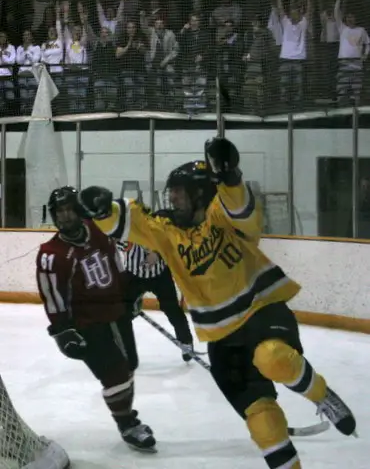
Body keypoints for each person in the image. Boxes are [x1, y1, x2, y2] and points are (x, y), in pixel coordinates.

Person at [79, 138, 356, 469]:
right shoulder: (164, 229)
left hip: (260, 311)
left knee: (272, 357)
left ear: (201, 192)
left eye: (180, 190)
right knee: (262, 421)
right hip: (221, 338)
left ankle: (322, 395)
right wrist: (102, 210)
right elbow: (125, 219)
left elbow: (240, 207)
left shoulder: (222, 215)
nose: (173, 196)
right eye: (172, 191)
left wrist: (229, 175)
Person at [35, 186, 156, 453]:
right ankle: (128, 424)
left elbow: (117, 262)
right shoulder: (51, 253)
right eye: (59, 212)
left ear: (79, 211)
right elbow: (52, 294)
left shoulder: (100, 230)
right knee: (114, 374)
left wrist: (128, 294)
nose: (64, 217)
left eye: (69, 210)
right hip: (87, 323)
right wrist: (62, 330)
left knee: (129, 366)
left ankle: (126, 414)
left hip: (116, 314)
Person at [118, 226, 193, 363]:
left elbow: (171, 242)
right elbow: (117, 243)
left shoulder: (157, 223)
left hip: (160, 275)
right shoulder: (127, 226)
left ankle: (186, 341)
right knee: (122, 314)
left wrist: (157, 253)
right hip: (134, 276)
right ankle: (126, 350)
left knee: (172, 309)